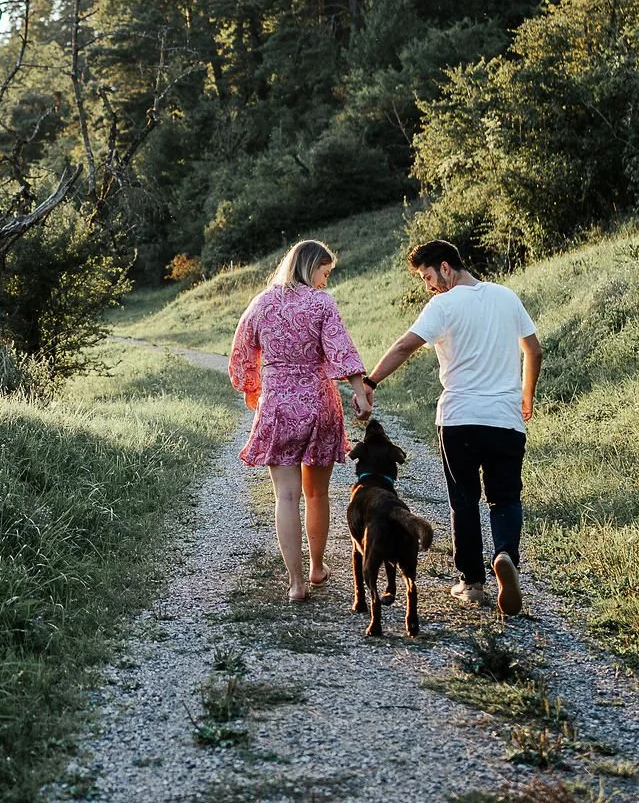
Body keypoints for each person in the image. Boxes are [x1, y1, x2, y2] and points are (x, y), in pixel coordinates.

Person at [363, 239, 543, 615]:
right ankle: (506, 555)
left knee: (464, 500)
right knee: (505, 498)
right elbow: (533, 350)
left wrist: (370, 382)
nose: (428, 286)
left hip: (460, 419)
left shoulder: (443, 305)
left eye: (428, 276)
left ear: (446, 268)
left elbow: (403, 346)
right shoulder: (506, 297)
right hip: (505, 419)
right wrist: (526, 395)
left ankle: (471, 582)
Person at [229, 239, 375, 601]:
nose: (324, 282)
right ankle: (317, 567)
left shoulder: (262, 302)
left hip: (278, 403)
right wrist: (359, 393)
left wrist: (253, 387)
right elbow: (341, 349)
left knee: (286, 496)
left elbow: (242, 350)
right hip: (318, 402)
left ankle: (296, 583)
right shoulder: (321, 303)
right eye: (324, 274)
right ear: (311, 267)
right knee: (317, 493)